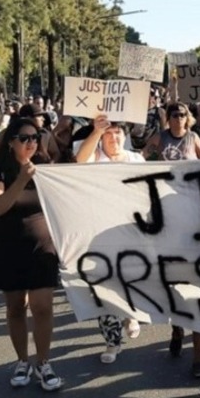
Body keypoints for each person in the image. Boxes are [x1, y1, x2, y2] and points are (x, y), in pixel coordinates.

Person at [0, 118, 63, 391]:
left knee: (42, 306)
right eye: (25, 138)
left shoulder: (45, 168)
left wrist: (96, 132)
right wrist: (21, 180)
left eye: (35, 137)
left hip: (41, 245)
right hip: (8, 245)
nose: (31, 143)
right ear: (12, 141)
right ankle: (22, 361)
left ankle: (44, 362)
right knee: (16, 307)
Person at [143, 102, 200, 377]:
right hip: (165, 211)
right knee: (171, 275)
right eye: (174, 115)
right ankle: (176, 327)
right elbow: (142, 157)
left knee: (195, 278)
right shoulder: (160, 137)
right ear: (167, 118)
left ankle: (197, 349)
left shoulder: (194, 138)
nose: (178, 118)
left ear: (188, 118)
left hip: (192, 212)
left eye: (182, 114)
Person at [75, 115, 143, 363]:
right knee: (102, 286)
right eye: (108, 134)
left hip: (131, 231)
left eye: (117, 133)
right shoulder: (96, 157)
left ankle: (130, 314)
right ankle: (112, 342)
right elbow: (80, 160)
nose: (113, 138)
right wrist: (95, 131)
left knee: (130, 280)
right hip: (98, 232)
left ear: (125, 136)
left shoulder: (136, 160)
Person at [130, 87, 166, 151]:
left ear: (155, 97)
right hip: (136, 148)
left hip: (154, 149)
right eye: (145, 93)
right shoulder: (134, 110)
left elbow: (165, 131)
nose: (148, 96)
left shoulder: (160, 112)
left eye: (151, 93)